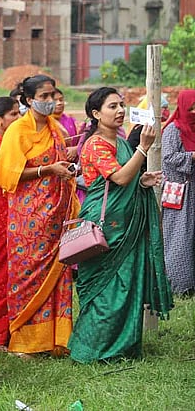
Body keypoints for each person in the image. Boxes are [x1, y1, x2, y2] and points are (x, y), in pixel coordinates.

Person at [68, 87, 172, 363]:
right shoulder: (96, 144)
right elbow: (119, 178)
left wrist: (143, 180)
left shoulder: (122, 141)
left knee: (126, 285)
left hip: (127, 221)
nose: (120, 111)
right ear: (95, 113)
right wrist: (143, 149)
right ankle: (91, 351)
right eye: (112, 106)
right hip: (105, 224)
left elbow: (129, 178)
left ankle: (123, 346)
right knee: (103, 290)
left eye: (121, 105)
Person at [0, 75, 77, 357]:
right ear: (28, 100)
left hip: (56, 215)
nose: (51, 101)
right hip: (28, 217)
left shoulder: (55, 129)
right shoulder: (18, 131)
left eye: (53, 95)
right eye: (44, 96)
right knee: (26, 277)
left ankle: (56, 340)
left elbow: (61, 157)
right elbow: (8, 175)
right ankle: (23, 342)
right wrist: (48, 170)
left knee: (59, 275)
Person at [0, 96, 21, 349]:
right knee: (1, 275)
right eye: (13, 115)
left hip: (12, 217)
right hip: (0, 218)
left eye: (19, 113)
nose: (18, 119)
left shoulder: (9, 142)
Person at [161, 89, 195, 295]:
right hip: (180, 190)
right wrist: (191, 157)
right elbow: (168, 158)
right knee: (179, 237)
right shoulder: (173, 130)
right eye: (190, 109)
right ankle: (180, 284)